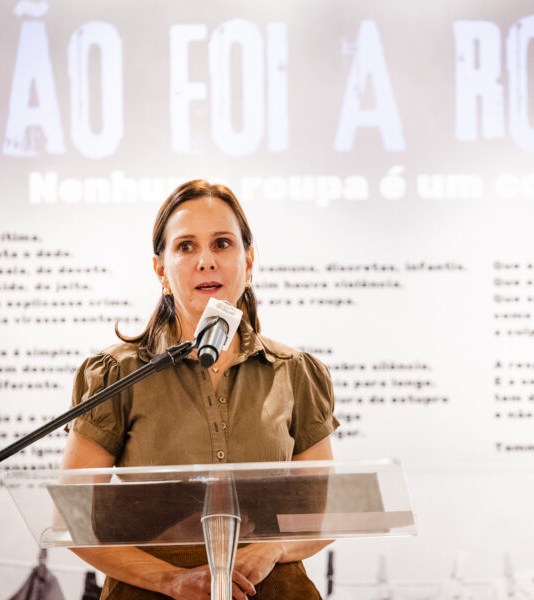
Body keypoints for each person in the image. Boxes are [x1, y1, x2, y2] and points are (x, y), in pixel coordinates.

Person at [61, 180, 339, 599]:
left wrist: (272, 549)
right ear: (161, 269)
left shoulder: (294, 372)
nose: (206, 261)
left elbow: (324, 511)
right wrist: (171, 580)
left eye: (222, 244)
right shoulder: (117, 373)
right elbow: (73, 518)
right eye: (186, 247)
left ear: (248, 261)